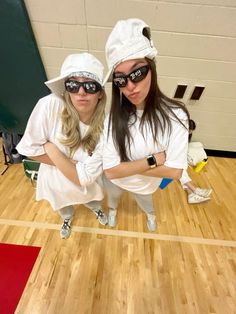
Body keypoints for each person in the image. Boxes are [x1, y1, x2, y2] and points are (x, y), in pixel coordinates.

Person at [101, 18, 190, 232]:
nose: (130, 86)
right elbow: (111, 173)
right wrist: (154, 160)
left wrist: (125, 166)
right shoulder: (112, 120)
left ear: (151, 68)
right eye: (121, 79)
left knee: (146, 204)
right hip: (115, 183)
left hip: (145, 187)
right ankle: (112, 211)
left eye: (137, 73)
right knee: (112, 198)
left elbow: (175, 172)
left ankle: (150, 216)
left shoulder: (176, 116)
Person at [16, 53, 108, 239]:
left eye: (90, 86)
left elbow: (86, 177)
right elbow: (28, 149)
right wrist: (67, 163)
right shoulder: (50, 105)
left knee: (92, 198)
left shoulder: (106, 126)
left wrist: (51, 149)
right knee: (63, 205)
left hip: (85, 180)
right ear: (66, 89)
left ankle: (95, 209)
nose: (81, 92)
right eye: (73, 85)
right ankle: (67, 218)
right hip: (56, 181)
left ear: (100, 93)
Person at [179, 119, 212, 203]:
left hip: (176, 158)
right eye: (189, 131)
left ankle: (191, 194)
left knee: (182, 171)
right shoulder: (177, 136)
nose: (190, 133)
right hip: (166, 158)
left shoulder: (184, 137)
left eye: (191, 131)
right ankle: (195, 190)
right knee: (180, 170)